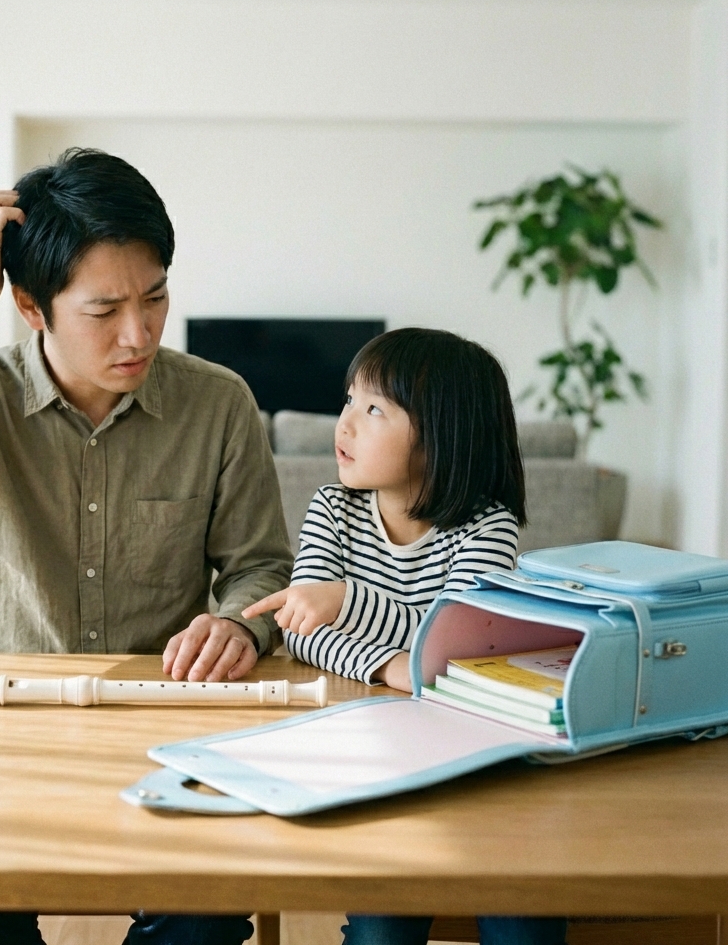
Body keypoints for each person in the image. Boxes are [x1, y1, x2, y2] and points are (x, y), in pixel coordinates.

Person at [0, 147, 292, 945]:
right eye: (103, 311)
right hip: (4, 733)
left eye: (156, 297)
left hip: (163, 730)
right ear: (32, 307)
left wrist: (241, 625)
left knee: (207, 914)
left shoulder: (219, 403)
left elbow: (261, 568)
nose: (138, 332)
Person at [243, 327, 567, 945]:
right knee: (380, 926)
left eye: (373, 410)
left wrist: (348, 601)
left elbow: (457, 645)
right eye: (347, 401)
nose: (344, 424)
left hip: (481, 755)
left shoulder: (487, 527)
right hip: (372, 754)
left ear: (443, 433)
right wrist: (394, 666)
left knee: (522, 913)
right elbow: (303, 635)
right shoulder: (331, 509)